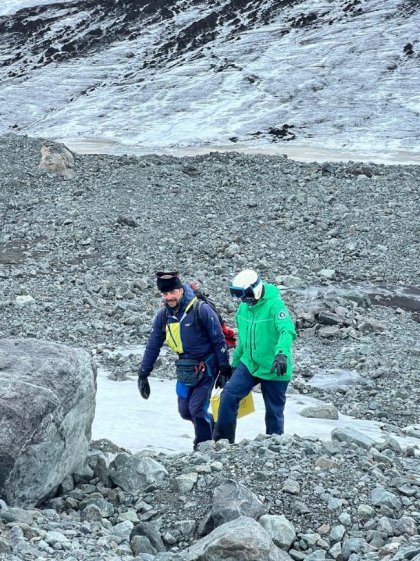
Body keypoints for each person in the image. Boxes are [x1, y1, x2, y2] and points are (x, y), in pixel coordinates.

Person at [137, 271, 232, 449]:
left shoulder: (201, 309)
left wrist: (224, 368)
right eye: (165, 294)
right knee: (185, 411)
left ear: (181, 290)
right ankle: (213, 428)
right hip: (185, 368)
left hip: (208, 366)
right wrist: (143, 373)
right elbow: (153, 345)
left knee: (196, 409)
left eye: (173, 292)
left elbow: (218, 340)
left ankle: (203, 447)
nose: (169, 297)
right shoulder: (163, 316)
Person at [213, 269, 297, 444]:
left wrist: (281, 354)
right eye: (239, 296)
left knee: (274, 411)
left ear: (255, 290)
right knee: (228, 395)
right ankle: (222, 443)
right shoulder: (244, 309)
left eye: (245, 296)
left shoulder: (276, 306)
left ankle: (274, 446)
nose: (243, 301)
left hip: (274, 365)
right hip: (250, 363)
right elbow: (243, 340)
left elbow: (287, 331)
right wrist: (234, 366)